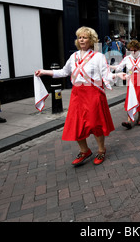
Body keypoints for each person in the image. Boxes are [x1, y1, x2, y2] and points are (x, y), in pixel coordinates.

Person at [35, 27, 124, 166]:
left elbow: (106, 75)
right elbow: (64, 72)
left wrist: (117, 75)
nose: (82, 40)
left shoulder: (98, 56)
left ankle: (101, 150)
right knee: (77, 124)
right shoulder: (74, 56)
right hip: (77, 94)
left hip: (93, 93)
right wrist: (44, 72)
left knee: (95, 123)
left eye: (85, 37)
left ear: (91, 40)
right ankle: (85, 150)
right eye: (79, 37)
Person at [112, 40, 140, 129]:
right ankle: (129, 120)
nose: (133, 52)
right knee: (130, 99)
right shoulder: (127, 59)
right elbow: (119, 67)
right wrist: (109, 66)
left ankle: (139, 118)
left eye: (135, 50)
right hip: (131, 81)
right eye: (131, 50)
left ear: (138, 49)